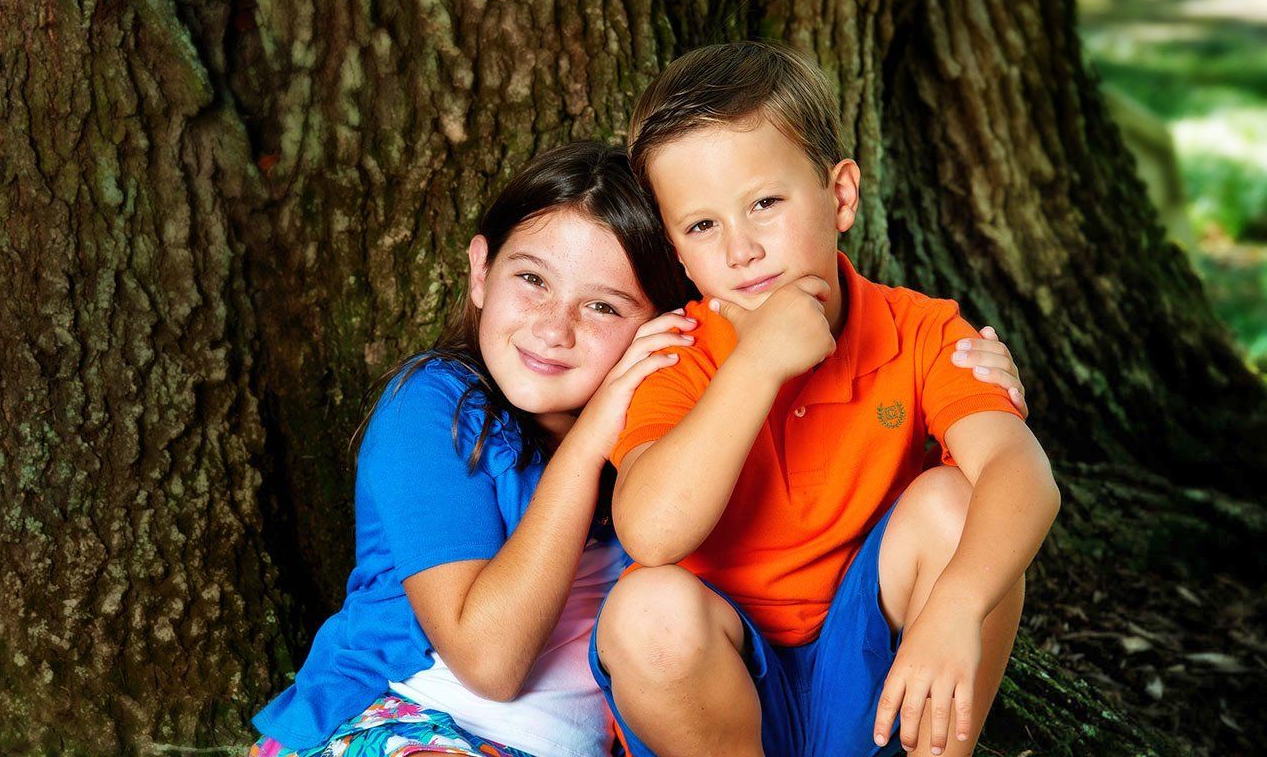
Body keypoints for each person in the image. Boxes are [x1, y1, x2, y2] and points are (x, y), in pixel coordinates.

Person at [249, 140, 1029, 757]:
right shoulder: (436, 408)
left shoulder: (683, 411)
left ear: (670, 319)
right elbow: (488, 659)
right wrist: (589, 442)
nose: (555, 330)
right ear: (481, 271)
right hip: (409, 717)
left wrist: (978, 394)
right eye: (531, 280)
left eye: (603, 305)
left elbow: (892, 496)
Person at [591, 41, 1060, 757]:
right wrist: (756, 365)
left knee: (954, 507)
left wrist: (958, 607)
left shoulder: (922, 330)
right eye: (703, 225)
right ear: (677, 250)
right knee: (643, 609)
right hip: (724, 692)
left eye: (765, 203)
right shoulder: (674, 354)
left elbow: (1023, 477)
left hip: (876, 672)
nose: (741, 249)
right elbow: (652, 534)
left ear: (840, 196)